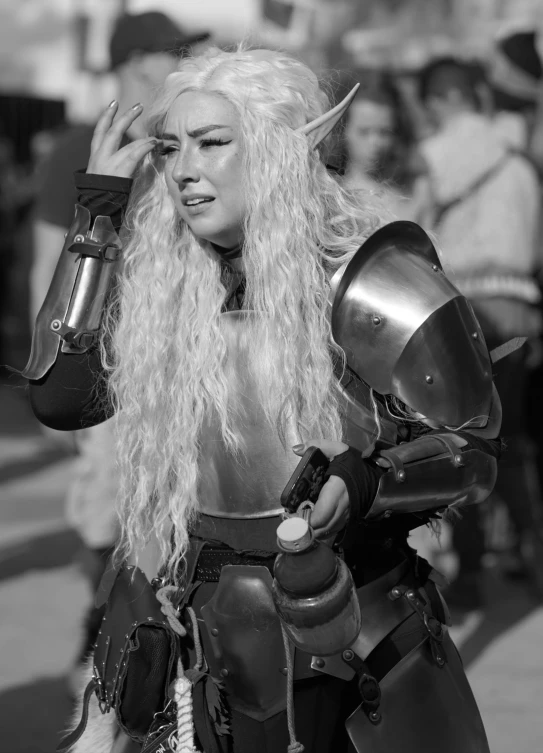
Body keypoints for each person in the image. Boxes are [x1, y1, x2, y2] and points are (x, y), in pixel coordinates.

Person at [24, 47, 500, 753]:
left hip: (353, 647)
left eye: (213, 143)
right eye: (170, 147)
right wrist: (98, 213)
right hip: (203, 650)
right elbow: (61, 397)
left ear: (280, 152)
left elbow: (472, 450)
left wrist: (366, 480)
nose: (184, 168)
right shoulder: (165, 283)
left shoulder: (375, 278)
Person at [28, 11, 210, 677]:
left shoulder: (184, 141)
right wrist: (46, 364)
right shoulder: (81, 143)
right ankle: (102, 621)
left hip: (182, 361)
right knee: (107, 506)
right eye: (175, 54)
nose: (187, 63)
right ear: (138, 64)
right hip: (104, 364)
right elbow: (48, 261)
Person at [418, 56, 543, 612]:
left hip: (469, 317)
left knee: (464, 441)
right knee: (514, 443)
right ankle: (534, 554)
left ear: (441, 102)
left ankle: (469, 574)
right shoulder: (521, 162)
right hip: (521, 312)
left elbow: (414, 233)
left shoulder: (438, 155)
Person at [342, 71, 431, 223]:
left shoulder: (417, 190)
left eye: (384, 132)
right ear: (342, 131)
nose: (375, 142)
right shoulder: (333, 194)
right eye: (364, 132)